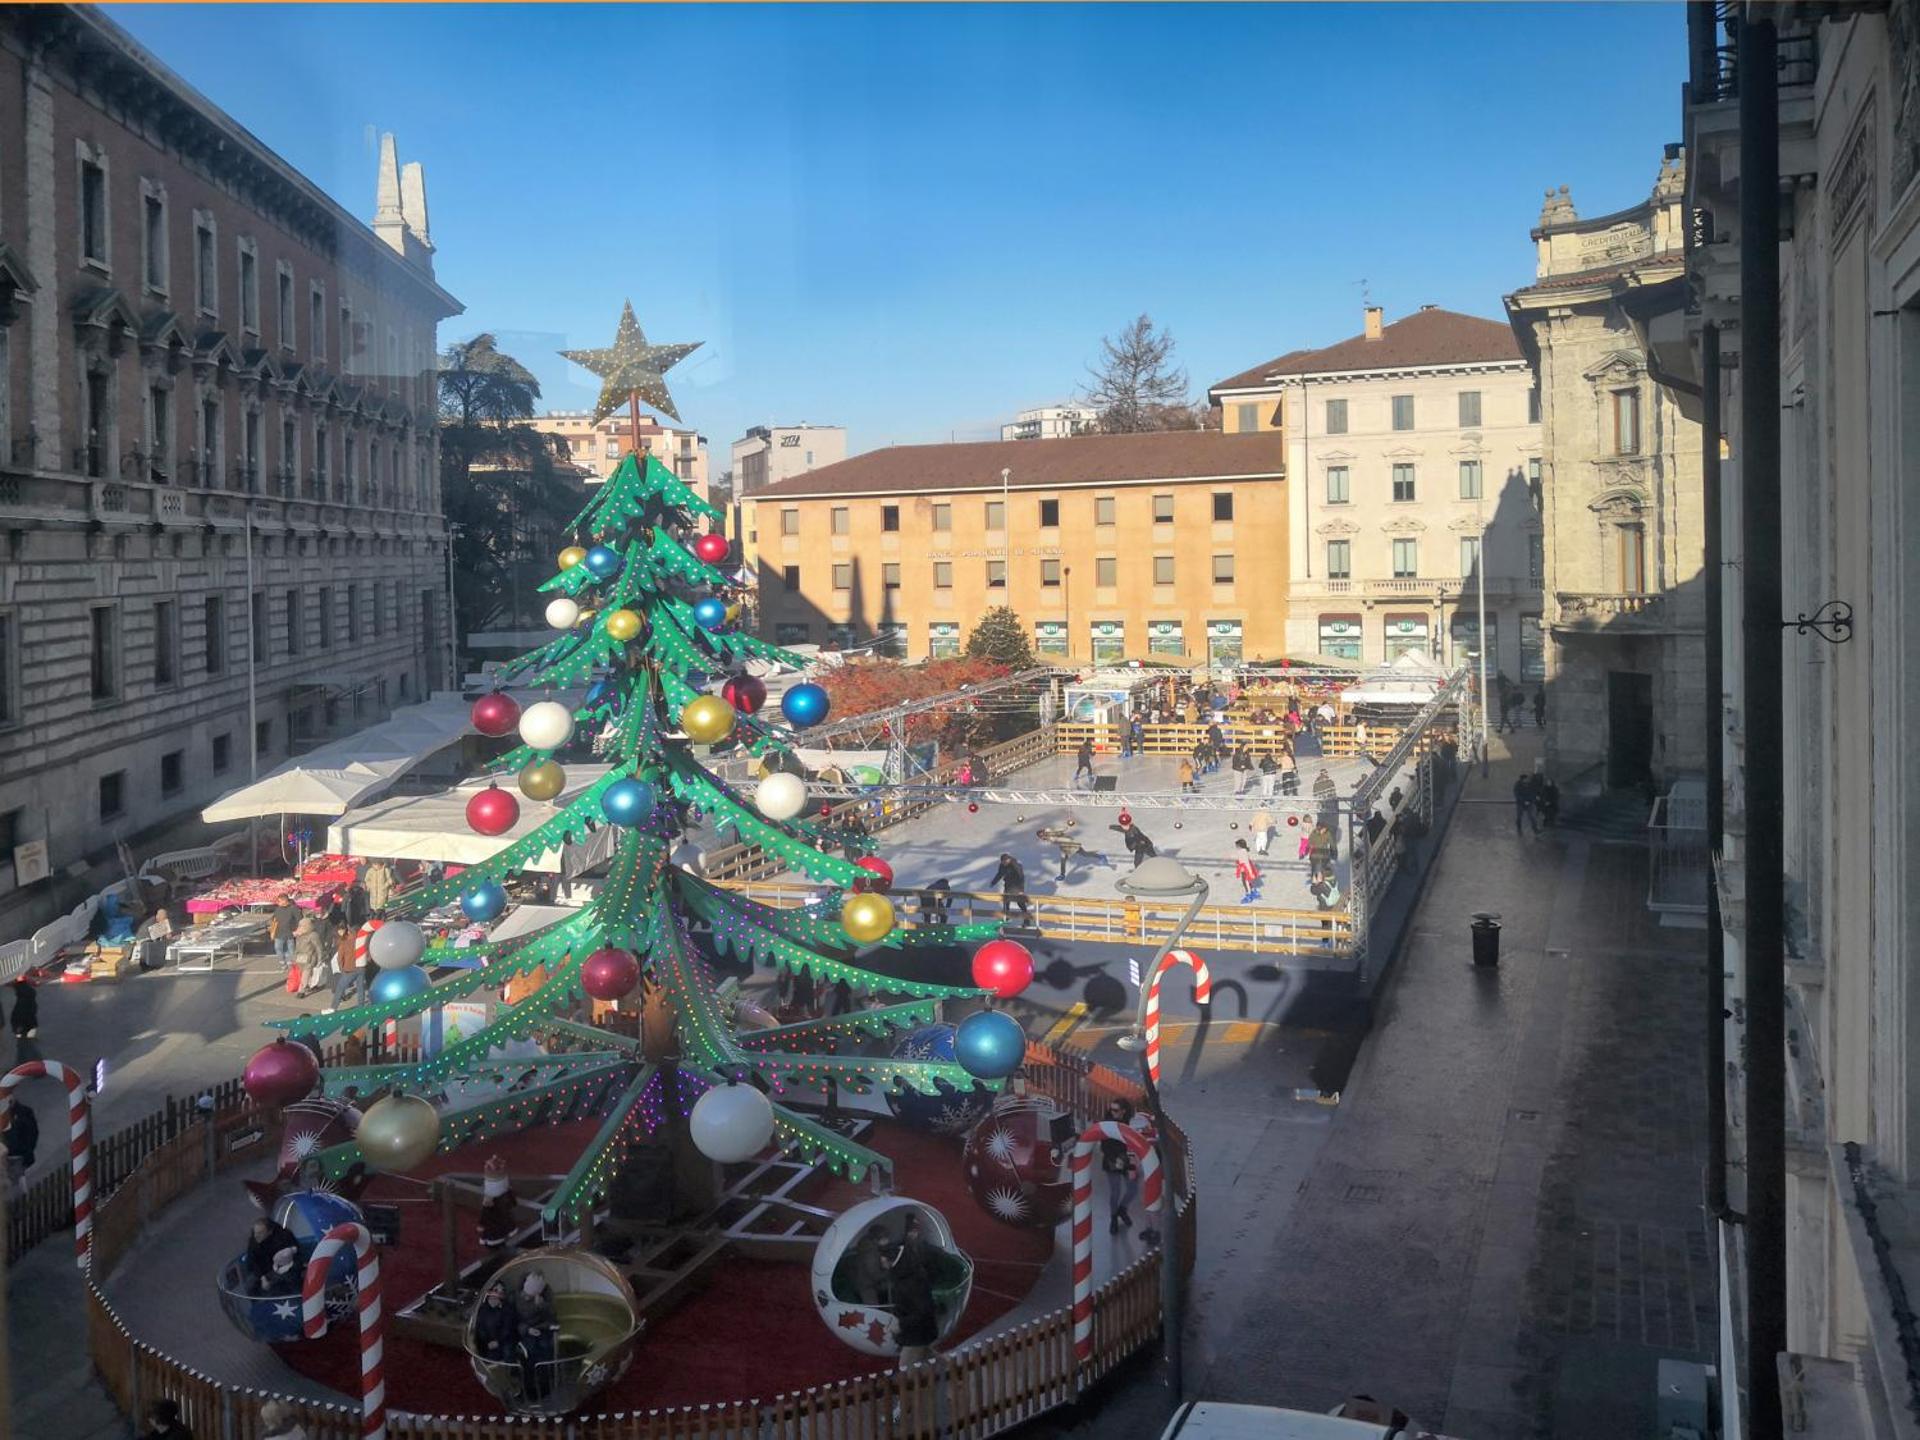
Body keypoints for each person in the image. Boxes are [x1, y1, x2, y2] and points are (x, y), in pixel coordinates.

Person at [888, 1214, 940, 1368]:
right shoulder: (909, 1277)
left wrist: (900, 1324)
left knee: (905, 1368)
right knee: (929, 1355)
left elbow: (921, 1311)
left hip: (917, 1334)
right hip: (922, 1331)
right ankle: (957, 1374)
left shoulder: (909, 1283)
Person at [1101, 1099, 1141, 1234]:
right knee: (1115, 1191)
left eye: (1116, 1110)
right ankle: (1113, 1218)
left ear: (1123, 1111)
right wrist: (1117, 1159)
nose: (1112, 1112)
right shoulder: (1107, 1123)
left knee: (1133, 1188)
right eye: (1111, 1109)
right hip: (1112, 1160)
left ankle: (1122, 1209)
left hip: (1126, 1159)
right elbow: (1104, 1147)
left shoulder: (1128, 1122)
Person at [516, 1269, 558, 1396]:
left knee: (545, 1351)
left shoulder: (545, 1298)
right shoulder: (515, 1298)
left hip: (542, 1332)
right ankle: (528, 1387)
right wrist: (527, 1329)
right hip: (523, 1333)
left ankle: (545, 1386)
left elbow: (553, 1320)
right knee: (528, 1354)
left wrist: (542, 1306)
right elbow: (511, 1320)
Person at [473, 1279, 520, 1365]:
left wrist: (498, 1341)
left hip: (505, 1341)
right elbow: (480, 1328)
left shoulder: (508, 1308)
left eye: (501, 1290)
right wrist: (487, 1342)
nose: (499, 1293)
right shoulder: (482, 1309)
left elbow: (508, 1328)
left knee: (508, 1353)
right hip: (488, 1342)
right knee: (488, 1358)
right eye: (496, 1290)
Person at [478, 1155, 518, 1254]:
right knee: (500, 1235)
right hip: (502, 1223)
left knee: (494, 1239)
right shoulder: (505, 1195)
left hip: (493, 1227)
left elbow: (485, 1214)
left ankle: (495, 1250)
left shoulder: (489, 1202)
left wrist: (481, 1224)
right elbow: (513, 1203)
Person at [246, 1215, 299, 1286]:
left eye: (260, 1233)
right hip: (263, 1272)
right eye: (255, 1232)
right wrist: (262, 1277)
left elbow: (296, 1254)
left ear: (270, 1232)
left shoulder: (284, 1237)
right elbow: (252, 1261)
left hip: (285, 1268)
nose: (256, 1236)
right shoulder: (254, 1242)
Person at [848, 1225, 890, 1305]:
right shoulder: (870, 1253)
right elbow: (875, 1275)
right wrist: (886, 1269)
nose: (888, 1240)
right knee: (873, 1308)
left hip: (861, 1282)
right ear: (879, 1238)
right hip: (866, 1286)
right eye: (886, 1238)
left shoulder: (867, 1246)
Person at [990, 853, 1032, 926]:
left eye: (1005, 861)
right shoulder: (1002, 866)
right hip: (1008, 886)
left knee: (1020, 903)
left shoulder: (1015, 865)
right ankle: (1007, 917)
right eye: (1002, 862)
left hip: (1016, 886)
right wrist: (993, 882)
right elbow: (1000, 874)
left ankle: (1027, 920)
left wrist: (1021, 890)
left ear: (1009, 860)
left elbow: (1021, 877)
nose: (1004, 863)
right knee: (1006, 902)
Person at [269, 897, 301, 970]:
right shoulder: (278, 909)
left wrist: (296, 930)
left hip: (290, 933)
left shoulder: (293, 909)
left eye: (279, 901)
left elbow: (299, 919)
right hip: (279, 933)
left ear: (284, 901)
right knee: (278, 948)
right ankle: (282, 962)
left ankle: (291, 963)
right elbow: (274, 919)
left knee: (291, 950)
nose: (278, 902)